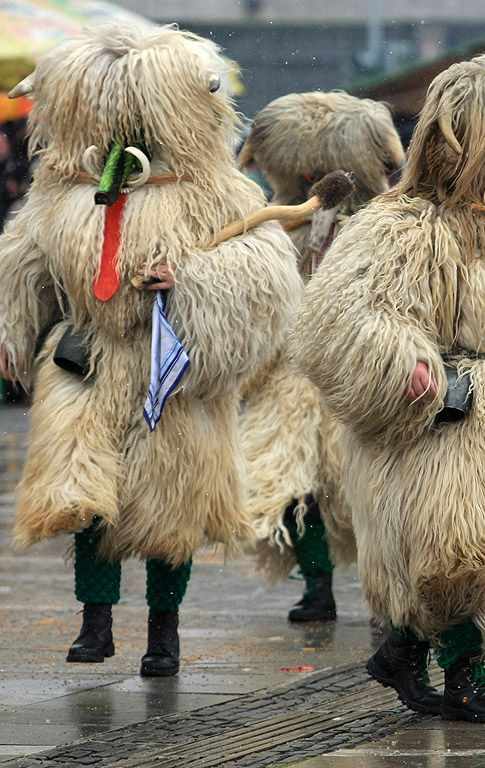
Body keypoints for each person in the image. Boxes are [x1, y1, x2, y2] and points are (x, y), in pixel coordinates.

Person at [289, 47, 485, 723]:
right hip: (442, 415)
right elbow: (348, 311)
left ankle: (403, 650)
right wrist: (404, 361)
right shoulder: (404, 227)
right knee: (463, 550)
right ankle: (466, 676)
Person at [0, 25, 302, 676]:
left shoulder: (215, 188)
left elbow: (263, 268)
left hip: (174, 368)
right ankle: (95, 620)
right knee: (82, 495)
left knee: (174, 502)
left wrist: (189, 281)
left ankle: (163, 634)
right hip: (86, 360)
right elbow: (25, 259)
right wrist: (13, 327)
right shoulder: (66, 186)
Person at [235, 91, 405, 623]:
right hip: (291, 377)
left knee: (376, 493)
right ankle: (318, 586)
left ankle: (389, 598)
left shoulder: (388, 233)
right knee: (296, 488)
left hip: (366, 373)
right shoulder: (273, 231)